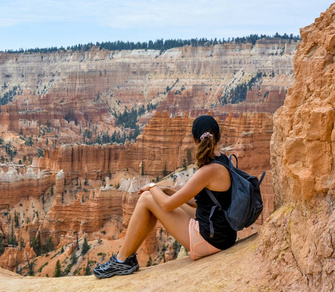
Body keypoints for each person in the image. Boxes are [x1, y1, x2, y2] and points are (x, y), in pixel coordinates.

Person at [93, 115, 236, 279]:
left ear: (195, 141)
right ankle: (128, 258)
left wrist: (152, 187)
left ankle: (121, 259)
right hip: (222, 233)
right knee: (154, 199)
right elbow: (200, 203)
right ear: (218, 137)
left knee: (147, 198)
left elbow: (167, 206)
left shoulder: (207, 170)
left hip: (211, 240)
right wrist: (167, 190)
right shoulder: (224, 161)